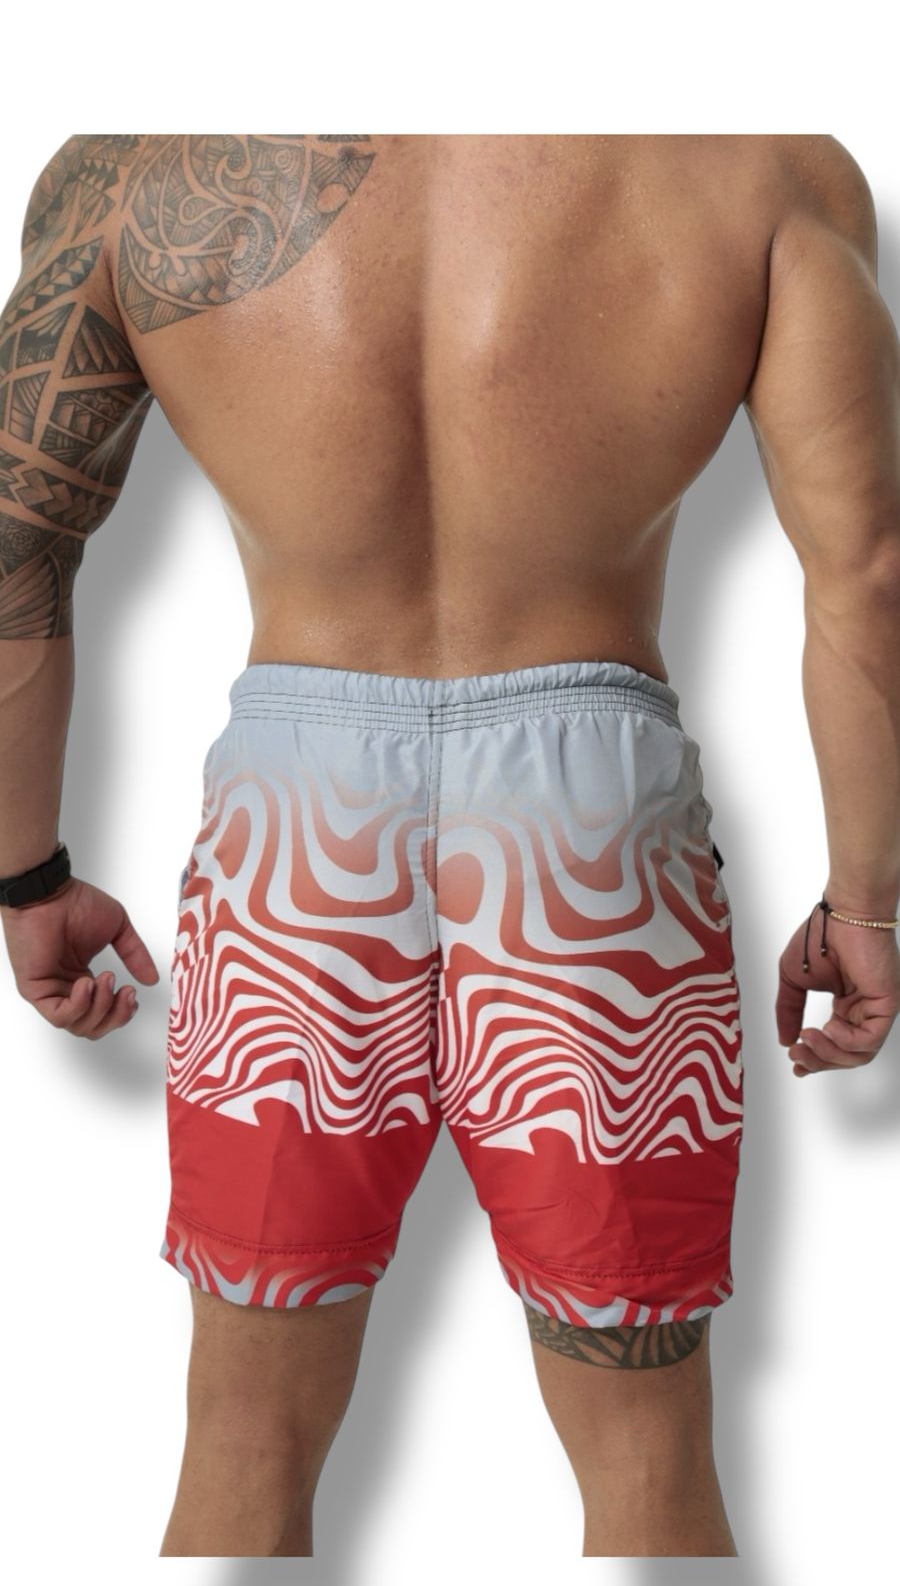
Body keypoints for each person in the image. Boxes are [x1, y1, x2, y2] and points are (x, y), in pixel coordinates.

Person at [0, 134, 897, 1560]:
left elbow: (13, 541)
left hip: (297, 832)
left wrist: (27, 873)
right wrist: (870, 903)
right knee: (648, 1445)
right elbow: (870, 568)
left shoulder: (139, 164)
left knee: (244, 1431)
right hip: (591, 835)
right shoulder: (760, 164)